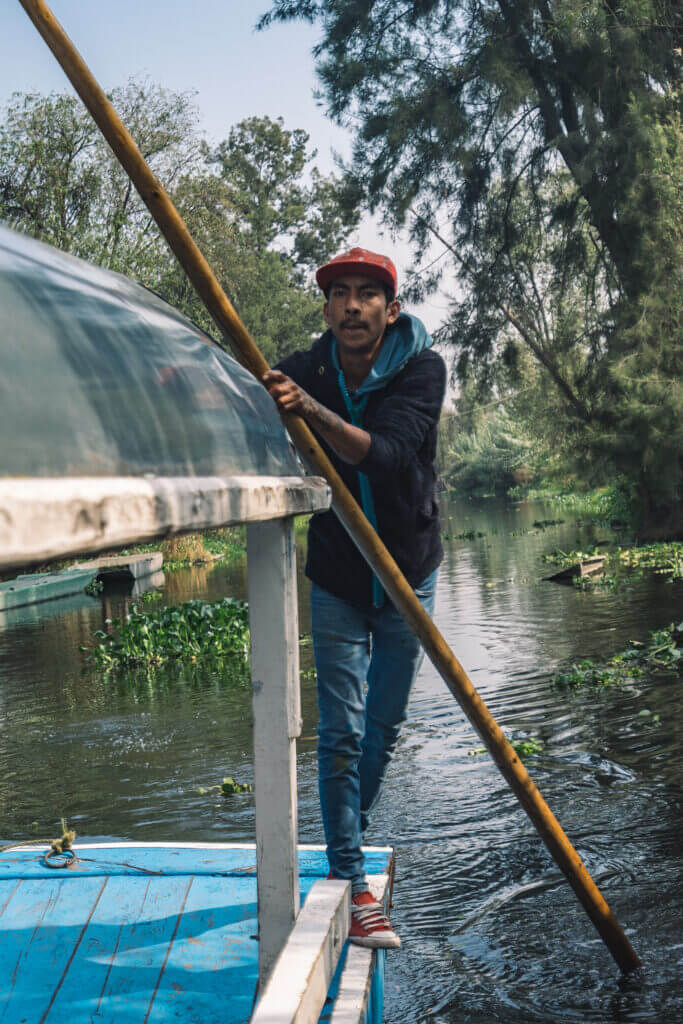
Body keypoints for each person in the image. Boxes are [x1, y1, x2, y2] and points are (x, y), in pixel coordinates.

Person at [263, 247, 446, 949]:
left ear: (389, 310)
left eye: (367, 294)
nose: (351, 306)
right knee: (339, 730)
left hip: (406, 574)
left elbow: (388, 454)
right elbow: (257, 409)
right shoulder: (301, 368)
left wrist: (307, 410)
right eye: (339, 294)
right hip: (339, 576)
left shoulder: (419, 369)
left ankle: (345, 846)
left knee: (382, 728)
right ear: (327, 309)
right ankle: (350, 876)